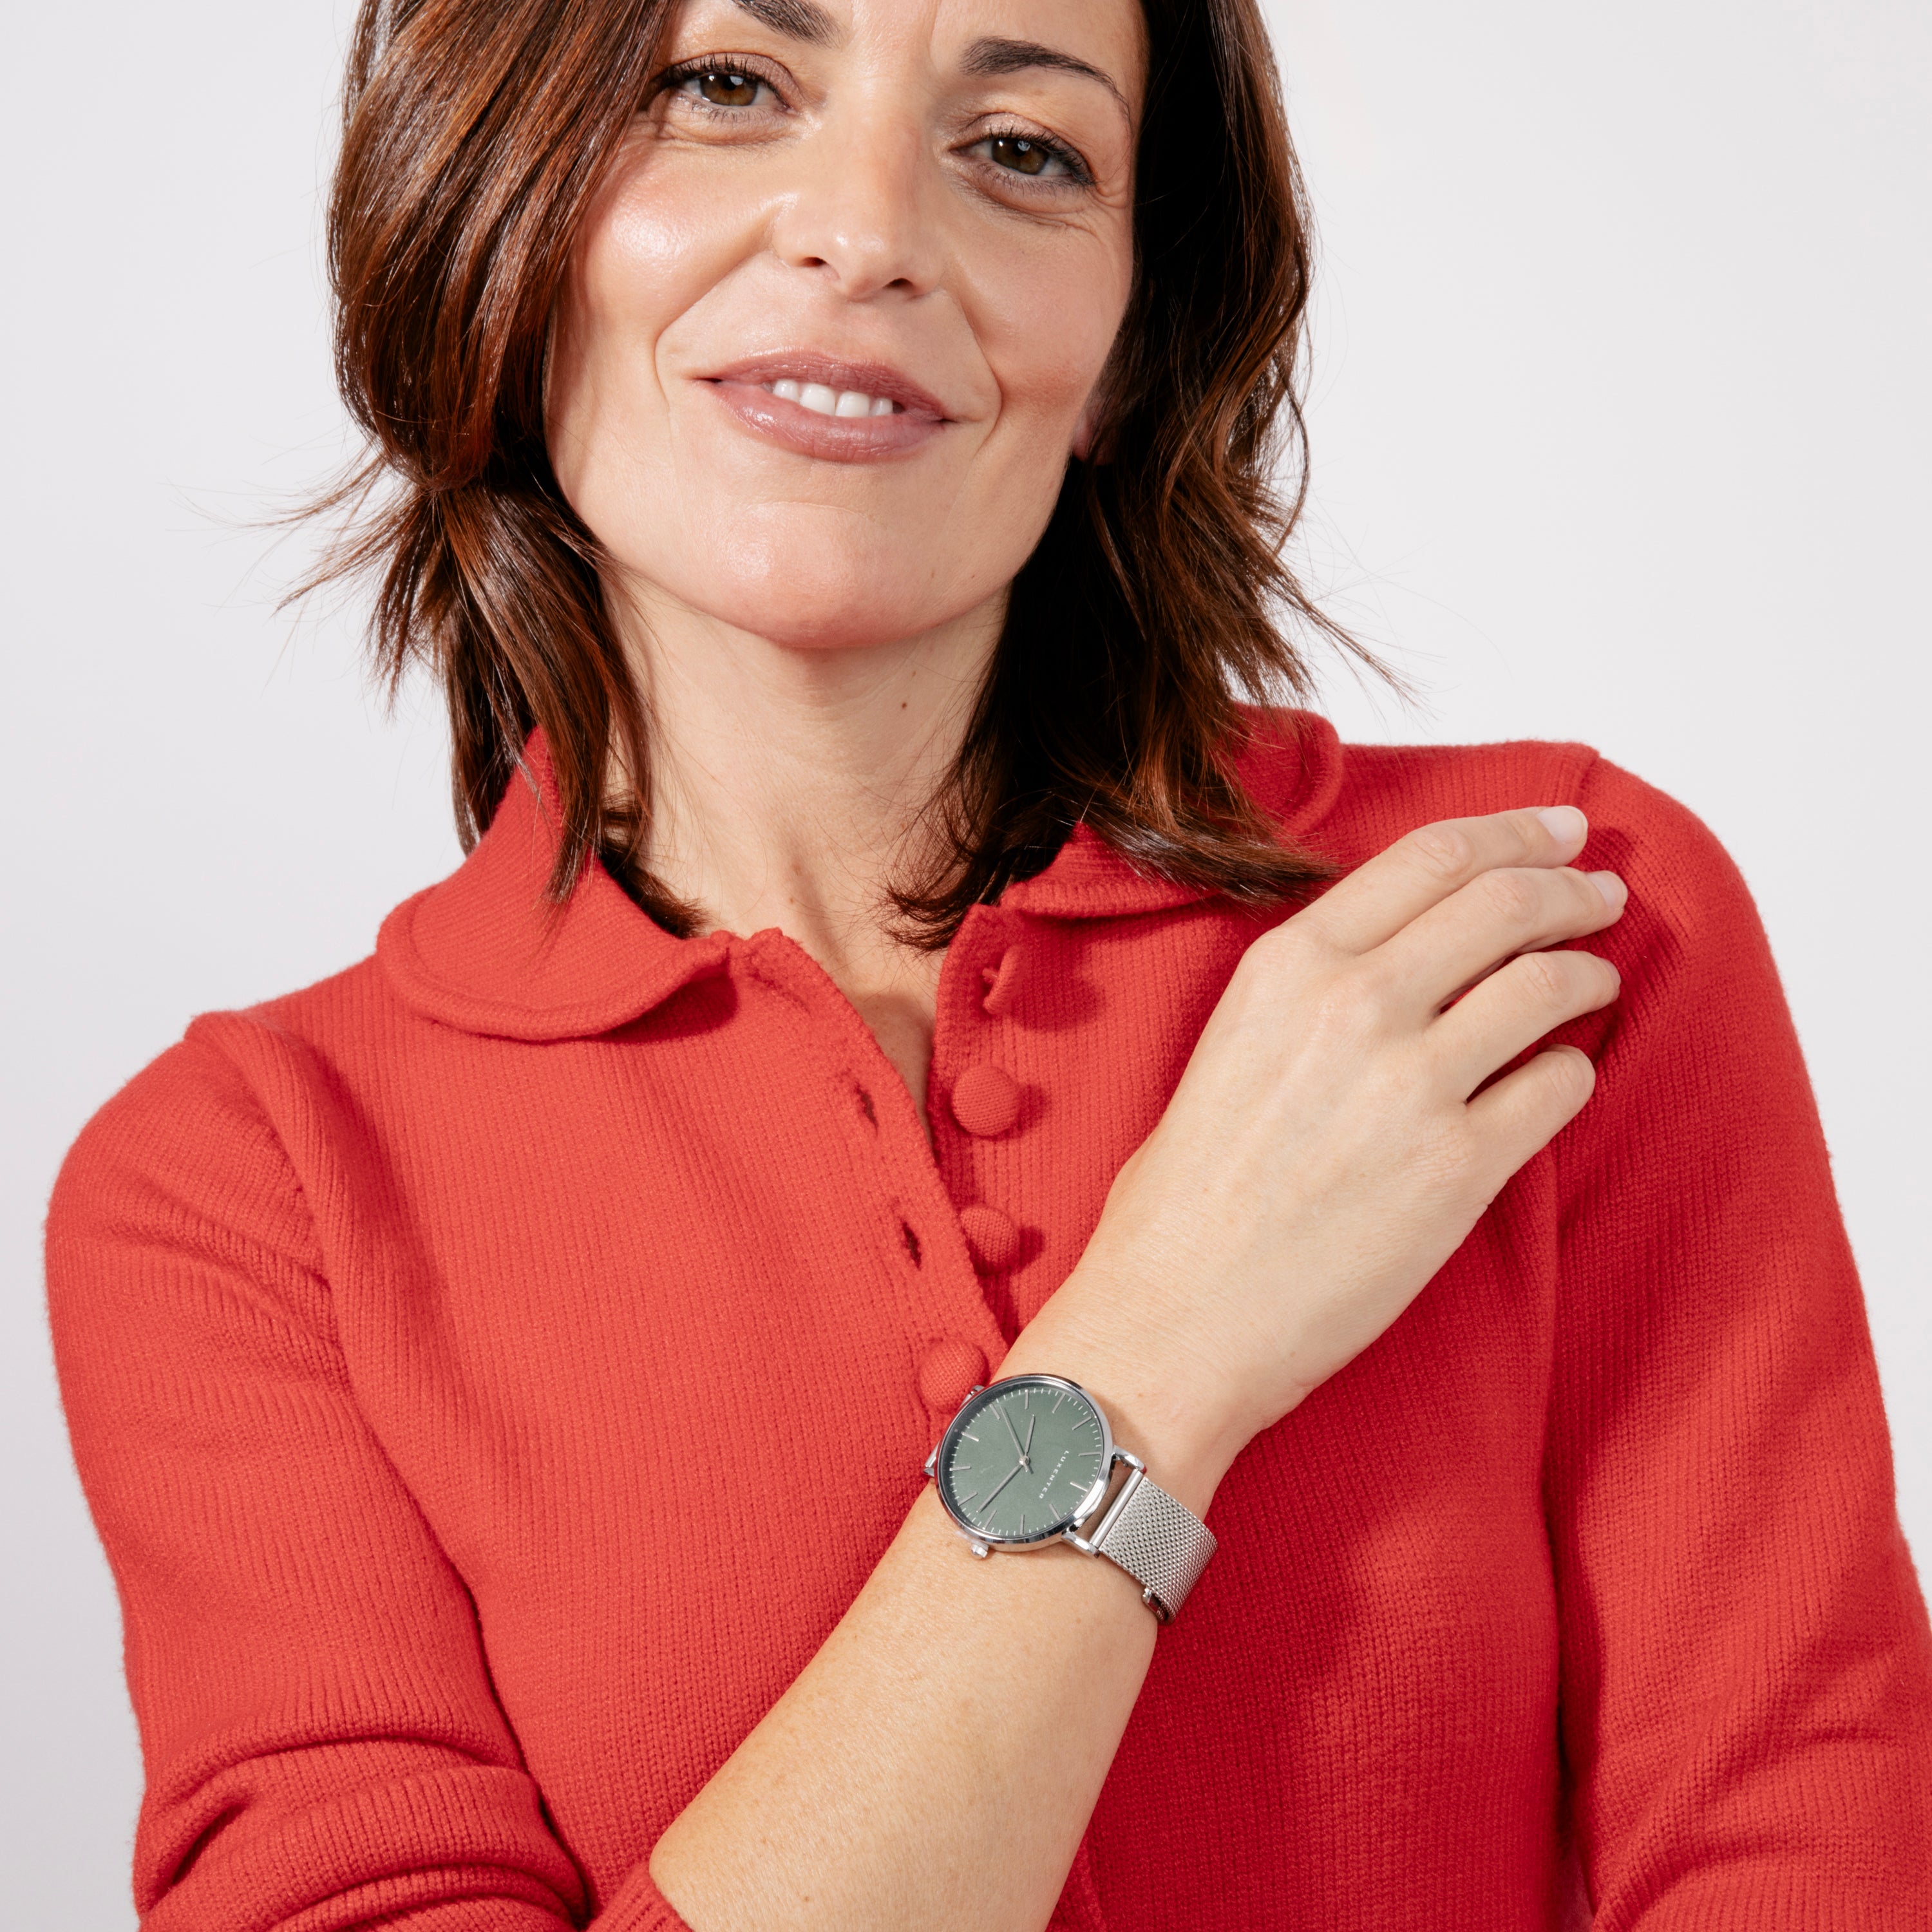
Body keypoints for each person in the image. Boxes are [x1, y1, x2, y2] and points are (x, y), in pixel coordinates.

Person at [44, 0, 1932, 1926]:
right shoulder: (248, 1189)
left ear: (1126, 342)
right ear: (500, 216)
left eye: (1024, 149)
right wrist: (1166, 1340)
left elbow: (1803, 1843)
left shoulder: (1539, 927)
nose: (868, 231)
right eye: (728, 87)